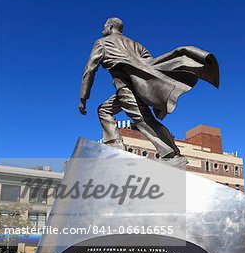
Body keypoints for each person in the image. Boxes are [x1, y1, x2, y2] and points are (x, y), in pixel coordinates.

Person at [79, 17, 219, 168]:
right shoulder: (135, 44)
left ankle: (171, 154)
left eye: (104, 26)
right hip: (138, 87)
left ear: (111, 26)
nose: (102, 29)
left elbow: (89, 70)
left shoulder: (102, 43)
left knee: (143, 120)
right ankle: (115, 146)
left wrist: (83, 96)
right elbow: (151, 63)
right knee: (104, 110)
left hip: (126, 88)